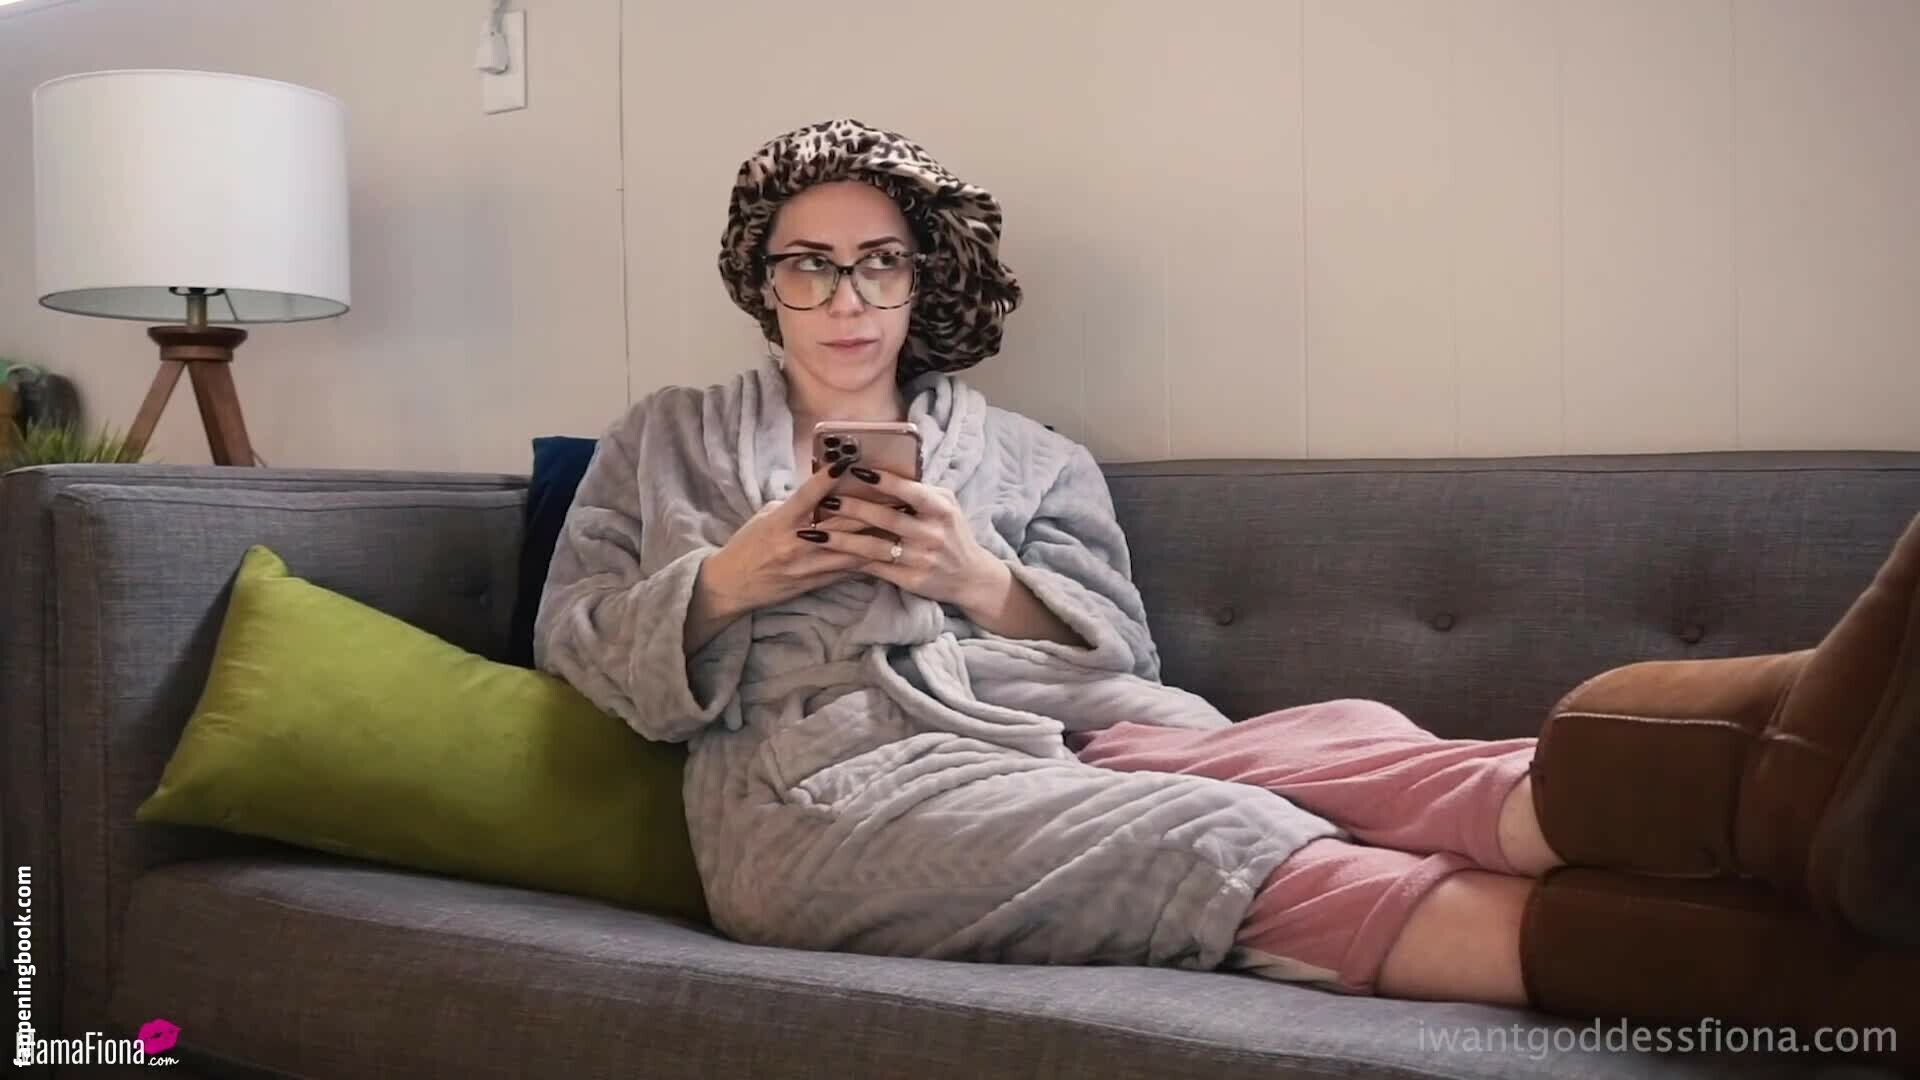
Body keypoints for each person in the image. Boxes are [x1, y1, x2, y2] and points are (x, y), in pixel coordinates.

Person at [535, 118, 1919, 1065]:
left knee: (1341, 742)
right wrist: (731, 578)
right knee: (1213, 829)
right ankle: (1810, 982)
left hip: (1052, 733)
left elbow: (1117, 657)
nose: (846, 297)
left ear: (921, 279)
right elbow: (574, 640)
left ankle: (1783, 775)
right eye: (809, 265)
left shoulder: (1030, 458)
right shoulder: (665, 442)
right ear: (763, 282)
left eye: (878, 262)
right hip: (817, 806)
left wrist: (977, 578)